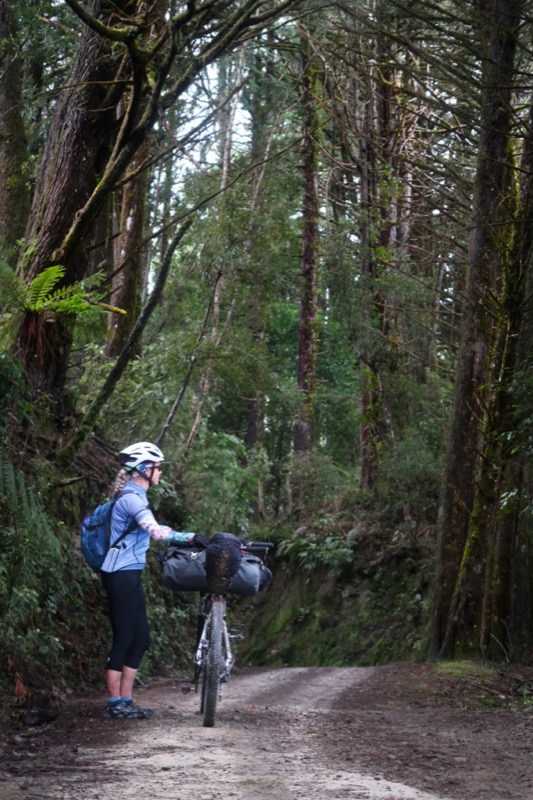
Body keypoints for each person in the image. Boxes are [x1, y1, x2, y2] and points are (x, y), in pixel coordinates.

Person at [100, 441, 202, 720]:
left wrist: (186, 536)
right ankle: (113, 703)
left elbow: (153, 529)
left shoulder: (137, 496)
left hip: (130, 572)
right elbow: (155, 532)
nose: (160, 473)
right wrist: (188, 537)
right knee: (124, 637)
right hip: (119, 572)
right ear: (144, 469)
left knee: (141, 638)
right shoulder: (132, 498)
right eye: (158, 468)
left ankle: (126, 699)